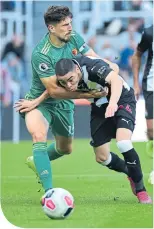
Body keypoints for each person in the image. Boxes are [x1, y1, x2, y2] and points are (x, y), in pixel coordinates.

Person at [14, 5, 111, 194]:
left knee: (65, 149)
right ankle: (50, 193)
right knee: (39, 135)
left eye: (70, 23)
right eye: (65, 24)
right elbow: (54, 91)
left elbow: (92, 57)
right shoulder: (41, 53)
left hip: (64, 104)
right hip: (38, 102)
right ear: (51, 28)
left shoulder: (73, 38)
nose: (70, 28)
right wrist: (89, 95)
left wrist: (108, 73)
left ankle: (37, 160)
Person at [52, 55, 151, 204]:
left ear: (77, 69)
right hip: (99, 107)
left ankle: (141, 190)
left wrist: (112, 103)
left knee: (123, 142)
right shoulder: (62, 79)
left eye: (70, 79)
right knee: (102, 158)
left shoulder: (91, 66)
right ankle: (129, 172)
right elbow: (50, 91)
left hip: (122, 99)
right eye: (63, 82)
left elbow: (115, 79)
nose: (68, 85)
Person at [132, 25, 153, 157]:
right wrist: (135, 84)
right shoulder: (150, 33)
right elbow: (137, 56)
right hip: (151, 85)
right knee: (151, 131)